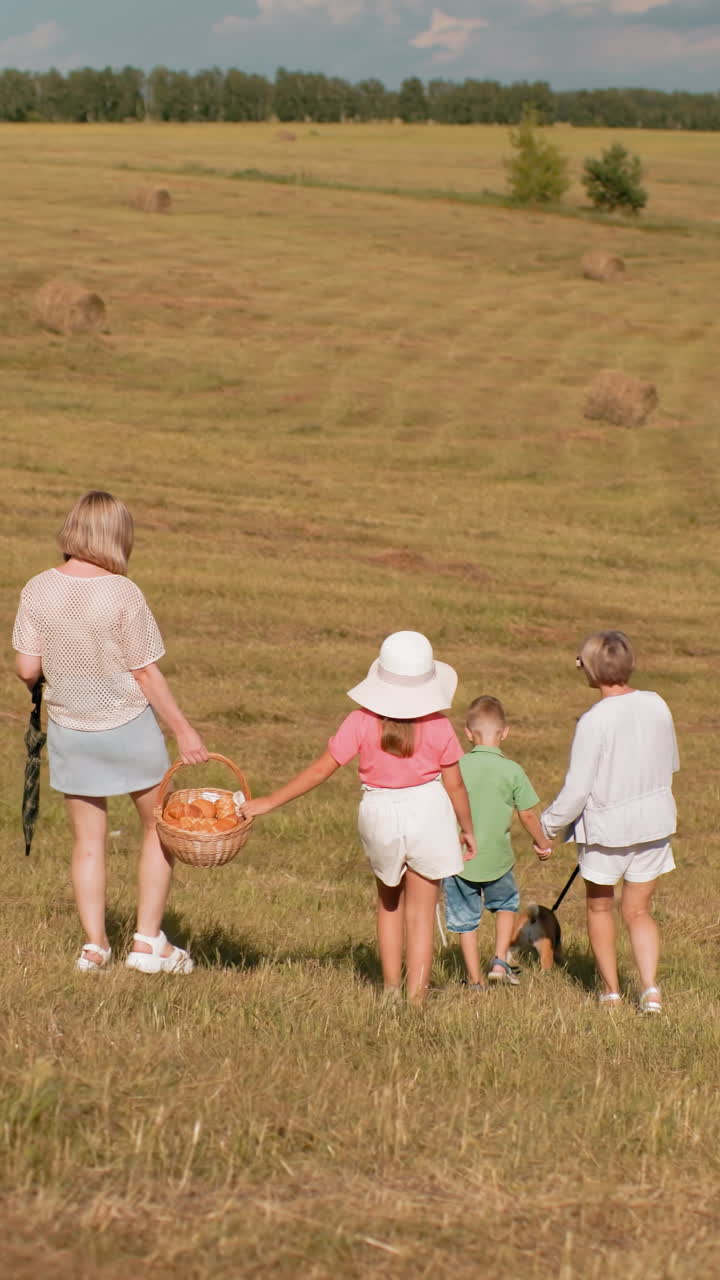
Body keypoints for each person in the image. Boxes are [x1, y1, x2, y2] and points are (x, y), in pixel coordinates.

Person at [12, 490, 209, 974]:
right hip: (128, 725)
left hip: (70, 728)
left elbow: (25, 669)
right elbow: (144, 672)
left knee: (88, 843)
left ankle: (95, 947)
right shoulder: (123, 592)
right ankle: (146, 943)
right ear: (117, 535)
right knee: (158, 829)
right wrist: (183, 729)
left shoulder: (37, 588)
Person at [240, 631, 476, 1003]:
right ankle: (417, 998)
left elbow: (321, 770)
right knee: (421, 912)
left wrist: (269, 801)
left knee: (389, 903)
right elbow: (456, 785)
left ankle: (390, 990)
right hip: (428, 811)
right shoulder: (439, 725)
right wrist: (467, 828)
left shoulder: (360, 721)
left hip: (378, 811)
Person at [540, 630, 679, 1013]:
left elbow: (576, 791)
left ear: (592, 670)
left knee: (600, 909)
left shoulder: (593, 720)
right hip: (654, 825)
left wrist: (548, 826)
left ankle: (610, 992)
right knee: (639, 911)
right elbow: (672, 763)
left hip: (607, 832)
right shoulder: (657, 704)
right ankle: (650, 990)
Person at [443, 695, 551, 990]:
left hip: (459, 858)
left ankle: (474, 980)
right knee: (505, 905)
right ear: (505, 732)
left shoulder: (455, 767)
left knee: (466, 920)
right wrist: (542, 843)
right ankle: (500, 960)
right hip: (499, 858)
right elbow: (527, 814)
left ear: (467, 733)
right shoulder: (512, 770)